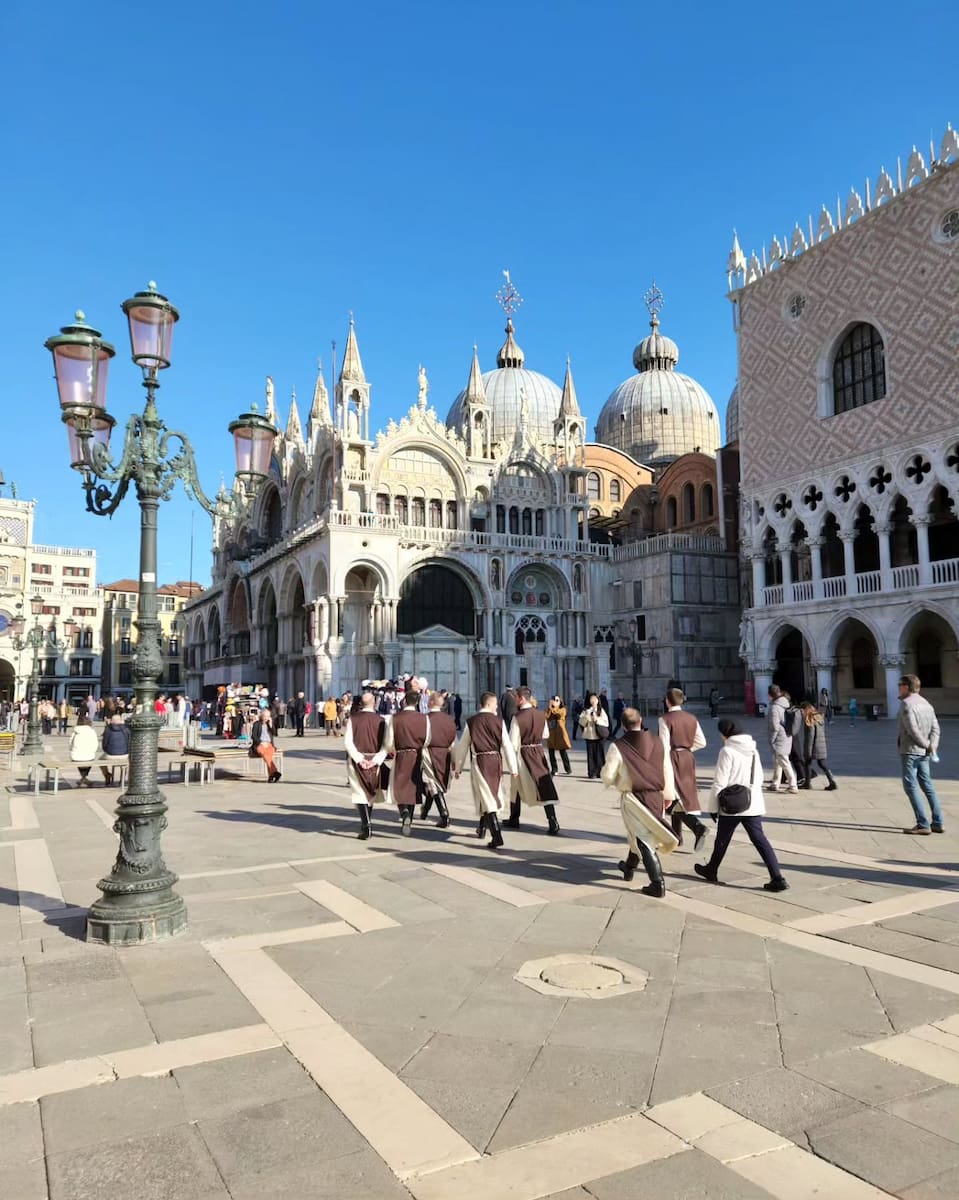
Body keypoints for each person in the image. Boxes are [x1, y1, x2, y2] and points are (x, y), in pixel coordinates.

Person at [695, 719, 789, 892]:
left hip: (732, 803)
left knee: (722, 839)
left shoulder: (727, 751)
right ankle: (777, 877)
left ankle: (712, 869)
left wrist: (713, 808)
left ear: (725, 734)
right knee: (760, 840)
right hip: (752, 802)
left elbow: (719, 781)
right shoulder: (753, 750)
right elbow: (759, 777)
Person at [601, 707, 678, 896]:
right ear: (641, 720)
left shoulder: (618, 746)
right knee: (638, 834)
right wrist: (668, 794)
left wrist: (615, 781)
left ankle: (657, 883)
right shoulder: (658, 741)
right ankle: (628, 867)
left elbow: (608, 776)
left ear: (623, 725)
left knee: (642, 838)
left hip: (634, 798)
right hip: (657, 796)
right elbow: (666, 768)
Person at [452, 692, 518, 850]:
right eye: (495, 703)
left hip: (480, 762)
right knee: (487, 795)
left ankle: (496, 835)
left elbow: (462, 746)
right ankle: (482, 829)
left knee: (486, 797)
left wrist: (458, 767)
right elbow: (507, 746)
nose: (497, 706)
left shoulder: (472, 722)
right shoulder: (499, 721)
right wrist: (513, 768)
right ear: (488, 704)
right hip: (495, 761)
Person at [659, 687, 711, 851]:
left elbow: (664, 745)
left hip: (672, 758)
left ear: (667, 701)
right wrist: (686, 749)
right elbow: (702, 742)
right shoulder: (691, 718)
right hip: (688, 758)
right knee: (680, 794)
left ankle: (697, 827)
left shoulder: (665, 719)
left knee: (672, 796)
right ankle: (677, 836)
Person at [507, 687, 560, 835]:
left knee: (515, 785)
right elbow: (545, 734)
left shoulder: (517, 717)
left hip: (523, 753)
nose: (514, 700)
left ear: (522, 698)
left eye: (516, 697)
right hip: (538, 752)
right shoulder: (540, 714)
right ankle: (552, 820)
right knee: (544, 785)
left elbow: (512, 742)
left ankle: (514, 818)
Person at [897, 674, 944, 835]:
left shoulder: (906, 704)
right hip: (924, 752)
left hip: (910, 750)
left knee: (910, 787)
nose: (898, 688)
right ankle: (938, 822)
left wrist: (927, 745)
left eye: (900, 685)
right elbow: (936, 728)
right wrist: (932, 746)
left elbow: (912, 730)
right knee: (928, 786)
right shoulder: (926, 703)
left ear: (906, 687)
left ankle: (922, 824)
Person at [344, 691, 389, 839]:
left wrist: (359, 759)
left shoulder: (353, 719)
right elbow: (386, 745)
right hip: (374, 760)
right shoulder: (381, 720)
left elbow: (348, 742)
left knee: (360, 793)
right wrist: (376, 760)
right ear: (374, 703)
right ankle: (367, 823)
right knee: (370, 792)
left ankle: (366, 826)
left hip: (357, 760)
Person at [384, 688, 429, 836]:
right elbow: (427, 740)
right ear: (417, 702)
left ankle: (404, 812)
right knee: (413, 786)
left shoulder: (395, 718)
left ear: (404, 701)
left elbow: (388, 742)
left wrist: (392, 749)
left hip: (401, 755)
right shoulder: (424, 719)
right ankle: (409, 816)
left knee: (399, 786)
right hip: (417, 755)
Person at [420, 692, 457, 828]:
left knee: (433, 783)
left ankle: (444, 814)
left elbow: (421, 738)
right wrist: (455, 760)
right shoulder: (449, 720)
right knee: (434, 782)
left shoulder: (425, 719)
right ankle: (425, 810)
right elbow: (454, 741)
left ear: (431, 702)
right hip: (445, 753)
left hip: (429, 752)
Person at [766, 685, 798, 793]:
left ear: (770, 695)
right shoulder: (785, 703)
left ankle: (793, 785)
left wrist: (772, 739)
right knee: (778, 760)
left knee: (784, 761)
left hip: (779, 737)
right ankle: (775, 783)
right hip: (787, 735)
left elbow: (774, 726)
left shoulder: (775, 707)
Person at [799, 702, 836, 791]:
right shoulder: (819, 717)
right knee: (822, 764)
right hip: (821, 745)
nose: (802, 713)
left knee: (807, 763)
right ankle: (832, 781)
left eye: (802, 711)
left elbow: (810, 737)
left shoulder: (810, 718)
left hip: (813, 746)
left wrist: (807, 751)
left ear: (806, 709)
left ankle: (807, 783)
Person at [579, 693, 609, 778]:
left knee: (600, 755)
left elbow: (606, 723)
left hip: (599, 735)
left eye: (594, 699)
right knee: (591, 755)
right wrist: (586, 717)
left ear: (597, 701)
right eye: (591, 699)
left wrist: (597, 720)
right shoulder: (586, 711)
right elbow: (581, 722)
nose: (593, 701)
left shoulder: (601, 710)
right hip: (590, 735)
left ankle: (601, 772)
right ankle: (592, 772)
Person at [250, 710, 282, 782]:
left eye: (268, 716)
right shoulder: (256, 724)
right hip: (260, 744)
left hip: (269, 744)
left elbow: (275, 733)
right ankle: (274, 772)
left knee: (268, 757)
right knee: (267, 756)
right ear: (261, 716)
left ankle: (272, 775)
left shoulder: (269, 724)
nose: (266, 718)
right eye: (265, 716)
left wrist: (271, 725)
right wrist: (261, 742)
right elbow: (254, 736)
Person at [70, 711, 99, 787]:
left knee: (78, 759)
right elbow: (95, 744)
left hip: (76, 756)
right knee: (89, 759)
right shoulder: (92, 732)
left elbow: (70, 744)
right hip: (89, 756)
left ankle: (83, 778)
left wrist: (72, 750)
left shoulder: (75, 732)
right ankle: (84, 778)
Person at [101, 712, 131, 785]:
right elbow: (129, 742)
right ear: (121, 720)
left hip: (110, 755)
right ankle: (122, 779)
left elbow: (104, 744)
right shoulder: (127, 729)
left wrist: (107, 750)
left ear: (111, 721)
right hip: (124, 755)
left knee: (100, 760)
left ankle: (107, 775)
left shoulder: (108, 729)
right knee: (124, 764)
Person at [546, 695, 572, 775]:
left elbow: (558, 715)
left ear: (560, 702)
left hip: (560, 733)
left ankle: (568, 768)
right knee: (551, 752)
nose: (555, 702)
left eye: (557, 700)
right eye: (554, 700)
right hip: (551, 733)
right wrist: (550, 707)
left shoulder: (563, 709)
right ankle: (554, 769)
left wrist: (553, 708)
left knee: (563, 752)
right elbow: (546, 716)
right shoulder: (549, 709)